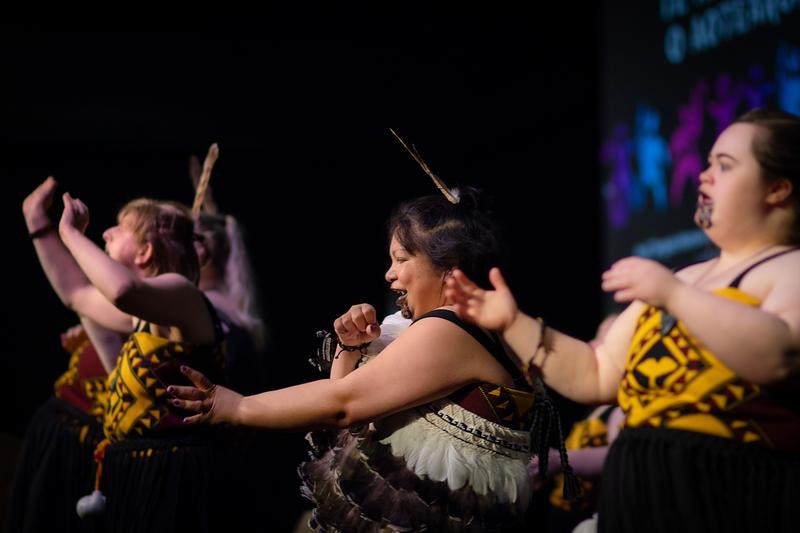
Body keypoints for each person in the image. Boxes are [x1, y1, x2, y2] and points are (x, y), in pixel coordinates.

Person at [445, 108, 800, 532]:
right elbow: (595, 375)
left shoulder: (788, 268)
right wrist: (513, 323)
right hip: (637, 488)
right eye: (706, 163)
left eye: (724, 166)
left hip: (733, 488)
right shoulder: (685, 279)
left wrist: (673, 295)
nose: (704, 176)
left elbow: (779, 356)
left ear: (778, 188)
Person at [172, 187, 539, 531]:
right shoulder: (449, 326)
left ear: (449, 265)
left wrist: (236, 406)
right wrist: (350, 348)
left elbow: (342, 406)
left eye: (402, 258)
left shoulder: (453, 327)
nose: (389, 273)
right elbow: (344, 412)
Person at [29, 178, 224, 530]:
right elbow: (76, 294)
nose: (106, 233)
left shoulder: (184, 294)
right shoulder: (140, 314)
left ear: (145, 251)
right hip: (136, 471)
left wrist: (72, 235)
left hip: (172, 477)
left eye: (119, 228)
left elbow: (120, 288)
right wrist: (37, 225)